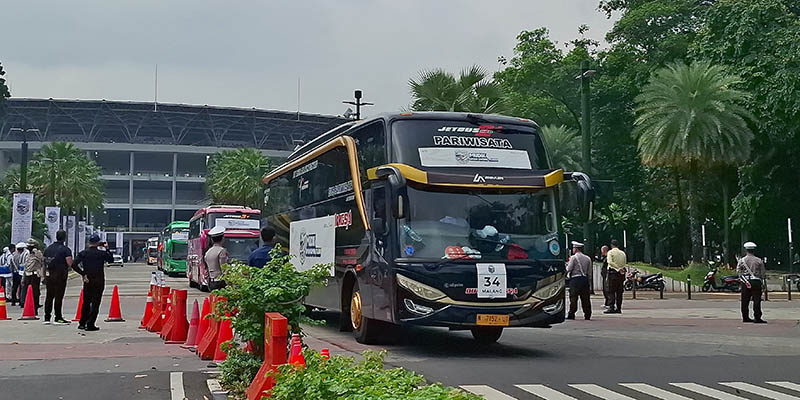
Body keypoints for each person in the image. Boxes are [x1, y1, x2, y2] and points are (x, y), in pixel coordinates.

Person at [72, 235, 113, 331]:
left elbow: (73, 265)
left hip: (88, 280)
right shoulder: (101, 254)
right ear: (98, 243)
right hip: (99, 280)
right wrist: (107, 249)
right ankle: (90, 324)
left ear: (88, 243)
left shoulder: (83, 253)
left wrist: (83, 274)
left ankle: (82, 323)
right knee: (95, 303)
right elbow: (111, 260)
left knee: (86, 302)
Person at [43, 230, 74, 325]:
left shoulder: (48, 249)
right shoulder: (65, 250)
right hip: (60, 276)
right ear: (64, 237)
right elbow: (70, 263)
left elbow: (44, 264)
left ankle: (47, 317)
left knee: (49, 296)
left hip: (49, 275)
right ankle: (58, 317)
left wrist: (44, 276)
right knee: (58, 297)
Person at [737, 241, 767, 324]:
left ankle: (745, 317)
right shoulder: (759, 260)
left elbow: (739, 272)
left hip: (745, 281)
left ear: (746, 250)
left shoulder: (741, 261)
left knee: (745, 300)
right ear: (754, 250)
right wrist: (763, 283)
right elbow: (763, 273)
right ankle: (757, 317)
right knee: (757, 299)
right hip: (756, 281)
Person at [566, 241, 592, 320]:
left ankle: (572, 313)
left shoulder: (573, 258)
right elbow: (589, 272)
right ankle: (587, 314)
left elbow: (569, 269)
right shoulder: (588, 258)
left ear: (576, 249)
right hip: (584, 279)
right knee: (585, 298)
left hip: (575, 279)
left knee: (573, 297)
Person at [21, 238, 44, 314]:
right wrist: (23, 278)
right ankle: (27, 306)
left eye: (31, 247)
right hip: (28, 275)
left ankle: (35, 307)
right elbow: (26, 267)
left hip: (35, 275)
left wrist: (36, 252)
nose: (30, 249)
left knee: (35, 292)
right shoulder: (27, 255)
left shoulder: (38, 253)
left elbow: (41, 262)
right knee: (28, 292)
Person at [604, 239, 627, 314]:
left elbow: (610, 262)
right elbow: (624, 262)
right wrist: (621, 268)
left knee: (611, 291)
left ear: (611, 245)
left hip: (613, 273)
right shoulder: (622, 253)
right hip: (621, 274)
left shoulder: (610, 252)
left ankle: (611, 307)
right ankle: (619, 307)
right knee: (619, 291)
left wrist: (617, 268)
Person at [205, 226, 229, 290]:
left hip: (211, 281)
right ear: (223, 238)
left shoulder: (208, 252)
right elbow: (224, 268)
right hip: (220, 282)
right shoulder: (222, 251)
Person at [10, 242, 28, 307]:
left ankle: (13, 300)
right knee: (22, 287)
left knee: (14, 287)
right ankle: (21, 300)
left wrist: (12, 271)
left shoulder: (13, 255)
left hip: (15, 273)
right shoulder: (24, 254)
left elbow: (11, 265)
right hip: (21, 273)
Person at [598, 245, 612, 310]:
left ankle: (608, 303)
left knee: (607, 290)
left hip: (606, 275)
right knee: (605, 290)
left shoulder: (607, 258)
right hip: (605, 275)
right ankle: (607, 302)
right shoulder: (605, 258)